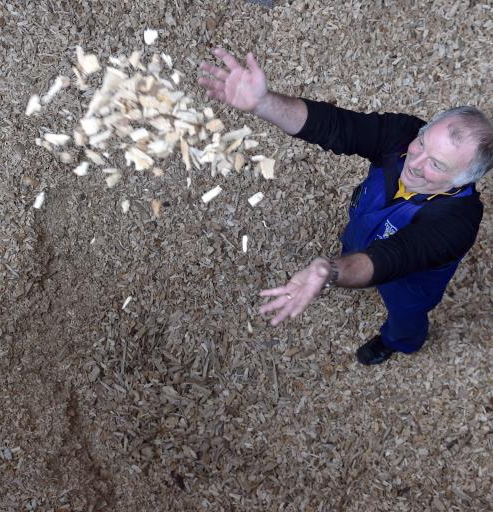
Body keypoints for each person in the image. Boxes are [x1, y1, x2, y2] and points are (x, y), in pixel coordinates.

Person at [199, 48, 493, 365]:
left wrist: (332, 271)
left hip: (410, 276)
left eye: (436, 163)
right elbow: (339, 127)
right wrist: (263, 103)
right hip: (364, 228)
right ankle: (350, 253)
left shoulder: (457, 222)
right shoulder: (402, 132)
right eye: (421, 143)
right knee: (354, 241)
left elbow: (393, 258)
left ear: (462, 179)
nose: (416, 163)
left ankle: (398, 342)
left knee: (407, 313)